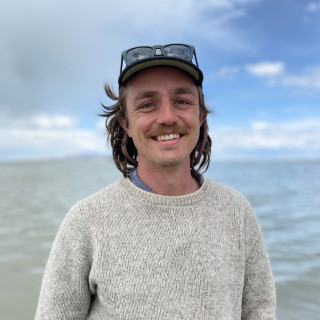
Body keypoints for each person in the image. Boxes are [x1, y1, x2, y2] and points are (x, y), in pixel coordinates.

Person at [35, 44, 276, 319]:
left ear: (201, 117)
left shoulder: (237, 211)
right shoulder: (86, 221)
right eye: (147, 104)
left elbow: (259, 310)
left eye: (182, 101)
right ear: (125, 123)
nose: (168, 117)